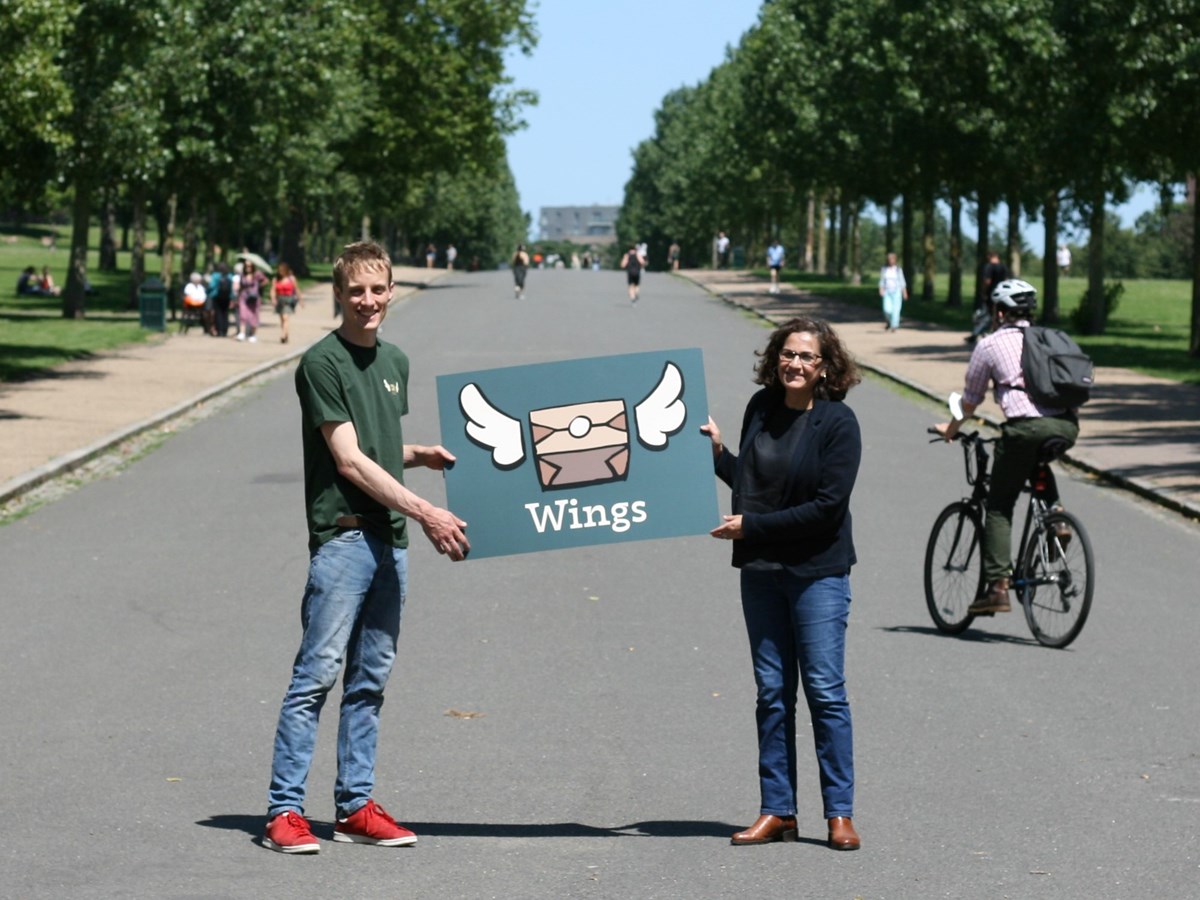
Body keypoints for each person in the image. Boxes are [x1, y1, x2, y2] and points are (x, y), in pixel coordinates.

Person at [263, 240, 469, 855]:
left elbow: (376, 446)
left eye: (378, 289)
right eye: (356, 290)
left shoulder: (394, 361)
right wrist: (428, 510)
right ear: (339, 294)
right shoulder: (320, 363)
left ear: (391, 291)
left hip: (390, 540)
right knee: (316, 676)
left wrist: (420, 454)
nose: (368, 301)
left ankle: (354, 805)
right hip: (345, 537)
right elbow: (348, 460)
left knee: (370, 680)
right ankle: (283, 812)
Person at [701, 317, 863, 852]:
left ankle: (839, 813)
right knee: (772, 694)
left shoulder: (839, 424)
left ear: (825, 368)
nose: (795, 364)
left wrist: (753, 527)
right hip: (763, 573)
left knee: (824, 691)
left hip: (818, 571)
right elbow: (754, 485)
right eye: (788, 354)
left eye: (807, 357)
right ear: (776, 359)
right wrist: (720, 456)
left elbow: (825, 508)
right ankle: (779, 810)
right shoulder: (760, 409)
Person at [935, 279, 1079, 613]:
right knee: (1037, 463)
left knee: (999, 506)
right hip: (1066, 426)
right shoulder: (1051, 339)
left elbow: (970, 401)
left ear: (999, 311)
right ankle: (1057, 519)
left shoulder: (990, 344)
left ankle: (998, 588)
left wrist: (951, 428)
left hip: (1024, 428)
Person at [967, 252, 1009, 344]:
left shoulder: (989, 267)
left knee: (985, 314)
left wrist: (984, 292)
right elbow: (1006, 280)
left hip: (991, 294)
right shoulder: (1003, 267)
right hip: (1001, 294)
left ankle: (976, 334)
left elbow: (987, 281)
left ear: (990, 257)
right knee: (1000, 314)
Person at [235, 260, 268, 342]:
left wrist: (259, 286)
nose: (248, 268)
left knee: (254, 315)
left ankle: (253, 335)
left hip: (254, 298)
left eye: (249, 266)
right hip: (244, 297)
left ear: (253, 267)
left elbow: (266, 280)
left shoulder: (257, 274)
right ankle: (242, 333)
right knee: (243, 314)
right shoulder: (242, 275)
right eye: (246, 266)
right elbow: (240, 286)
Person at [271, 262, 303, 344]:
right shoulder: (276, 279)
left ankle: (283, 335)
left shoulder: (291, 279)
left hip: (288, 300)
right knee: (282, 319)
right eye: (279, 270)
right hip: (280, 300)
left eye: (281, 270)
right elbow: (273, 290)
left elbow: (297, 289)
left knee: (285, 318)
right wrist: (273, 299)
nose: (280, 272)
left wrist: (300, 300)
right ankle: (286, 334)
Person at [878, 252, 907, 332]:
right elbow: (882, 280)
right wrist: (881, 288)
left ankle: (894, 325)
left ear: (895, 260)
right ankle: (889, 321)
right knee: (887, 309)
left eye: (892, 259)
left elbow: (902, 281)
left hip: (897, 291)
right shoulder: (884, 269)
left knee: (896, 310)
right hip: (887, 291)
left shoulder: (898, 270)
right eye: (889, 259)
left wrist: (904, 292)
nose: (890, 260)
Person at [209, 262, 234, 336]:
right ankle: (225, 330)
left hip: (217, 296)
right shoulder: (230, 276)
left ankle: (219, 330)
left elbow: (211, 286)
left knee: (218, 314)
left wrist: (208, 292)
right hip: (227, 297)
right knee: (225, 313)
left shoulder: (215, 276)